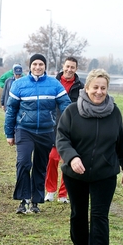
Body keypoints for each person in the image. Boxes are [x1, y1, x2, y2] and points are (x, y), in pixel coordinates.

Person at [56, 68, 123, 245]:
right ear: (87, 87)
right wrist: (72, 157)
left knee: (100, 215)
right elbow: (62, 138)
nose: (99, 92)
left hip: (104, 173)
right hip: (76, 174)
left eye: (103, 88)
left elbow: (121, 142)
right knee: (78, 213)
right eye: (95, 87)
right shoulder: (72, 111)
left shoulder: (114, 112)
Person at [4, 53, 71, 214]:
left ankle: (35, 201)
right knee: (24, 162)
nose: (38, 67)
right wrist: (9, 133)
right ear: (30, 66)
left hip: (46, 131)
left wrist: (76, 124)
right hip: (24, 130)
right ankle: (23, 199)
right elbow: (11, 109)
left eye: (41, 64)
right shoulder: (19, 84)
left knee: (41, 166)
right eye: (35, 64)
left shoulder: (54, 84)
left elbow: (67, 106)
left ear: (45, 66)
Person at [45, 56, 84, 203]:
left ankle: (63, 194)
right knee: (52, 159)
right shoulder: (52, 83)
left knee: (68, 162)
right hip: (53, 126)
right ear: (63, 66)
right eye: (67, 66)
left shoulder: (81, 87)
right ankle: (50, 191)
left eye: (72, 67)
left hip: (72, 129)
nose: (69, 70)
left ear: (76, 69)